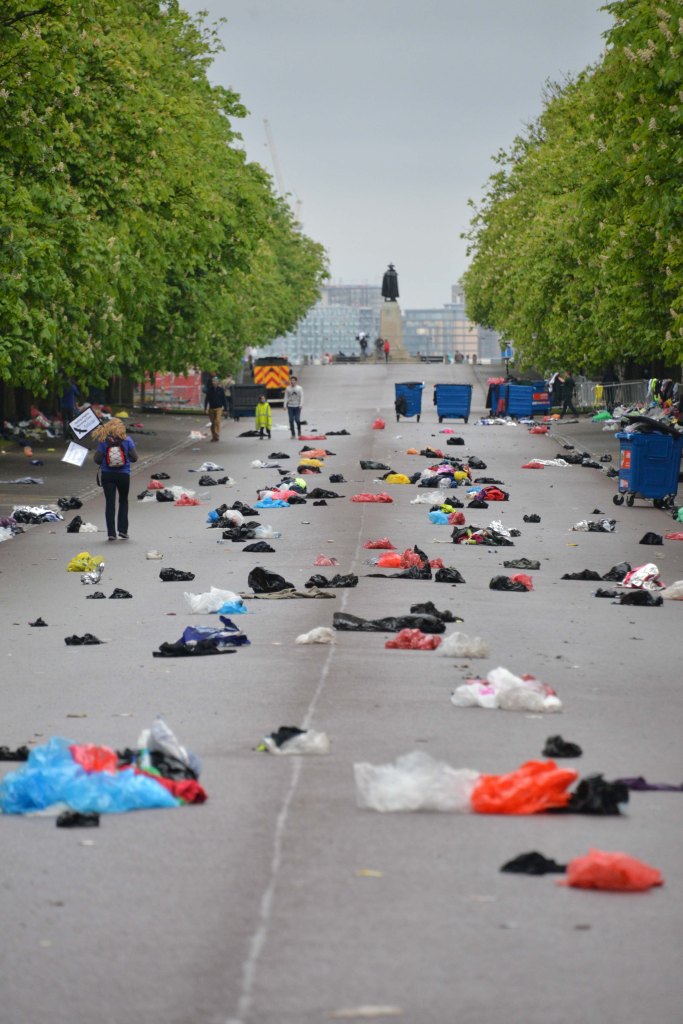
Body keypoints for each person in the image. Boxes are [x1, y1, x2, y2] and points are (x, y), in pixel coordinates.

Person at [92, 418, 138, 541]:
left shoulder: (104, 441)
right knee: (123, 501)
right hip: (123, 475)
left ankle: (111, 533)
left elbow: (97, 459)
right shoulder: (128, 440)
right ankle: (123, 530)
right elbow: (134, 458)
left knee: (110, 503)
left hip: (107, 475)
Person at [204, 375, 227, 441]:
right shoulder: (209, 390)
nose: (214, 382)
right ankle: (214, 437)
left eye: (215, 381)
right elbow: (206, 400)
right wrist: (205, 408)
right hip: (211, 408)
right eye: (213, 381)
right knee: (213, 423)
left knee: (217, 421)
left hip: (219, 408)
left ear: (218, 382)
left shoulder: (221, 390)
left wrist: (225, 409)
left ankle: (216, 434)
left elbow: (224, 400)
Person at [284, 375, 304, 439]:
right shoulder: (288, 388)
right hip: (290, 406)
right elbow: (286, 397)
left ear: (296, 381)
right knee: (291, 420)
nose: (292, 382)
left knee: (297, 419)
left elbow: (302, 397)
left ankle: (299, 431)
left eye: (293, 380)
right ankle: (293, 433)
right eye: (291, 380)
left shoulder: (299, 388)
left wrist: (301, 404)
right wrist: (284, 405)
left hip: (297, 406)